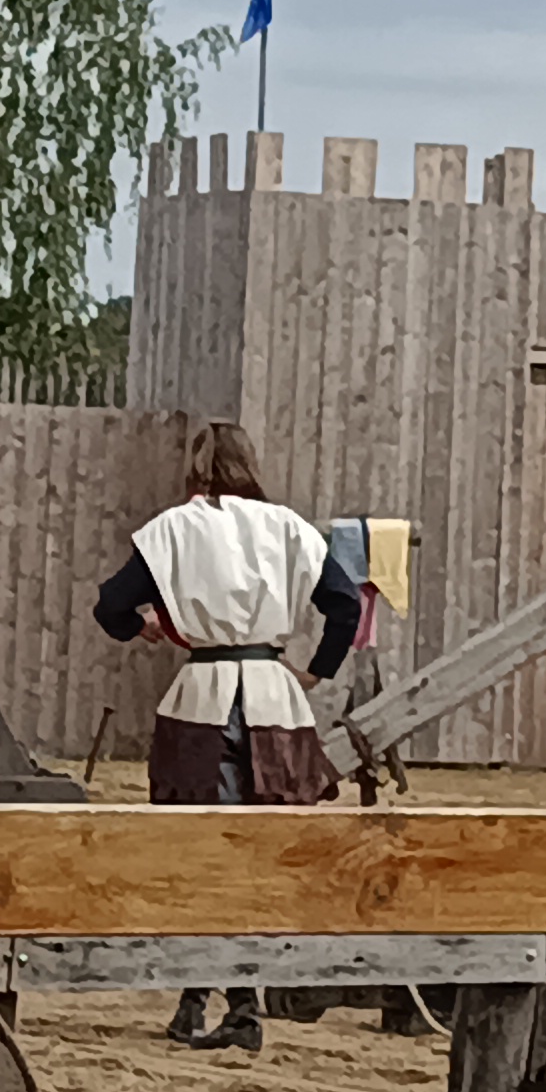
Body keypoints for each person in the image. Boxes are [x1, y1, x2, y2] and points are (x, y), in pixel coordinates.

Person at [93, 420, 359, 1056]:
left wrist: (143, 629)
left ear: (197, 469)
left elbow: (110, 606)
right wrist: (317, 671)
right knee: (256, 856)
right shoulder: (290, 528)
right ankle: (204, 999)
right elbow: (345, 605)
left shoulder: (174, 530)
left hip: (204, 700)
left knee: (204, 855)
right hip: (274, 702)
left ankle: (234, 1004)